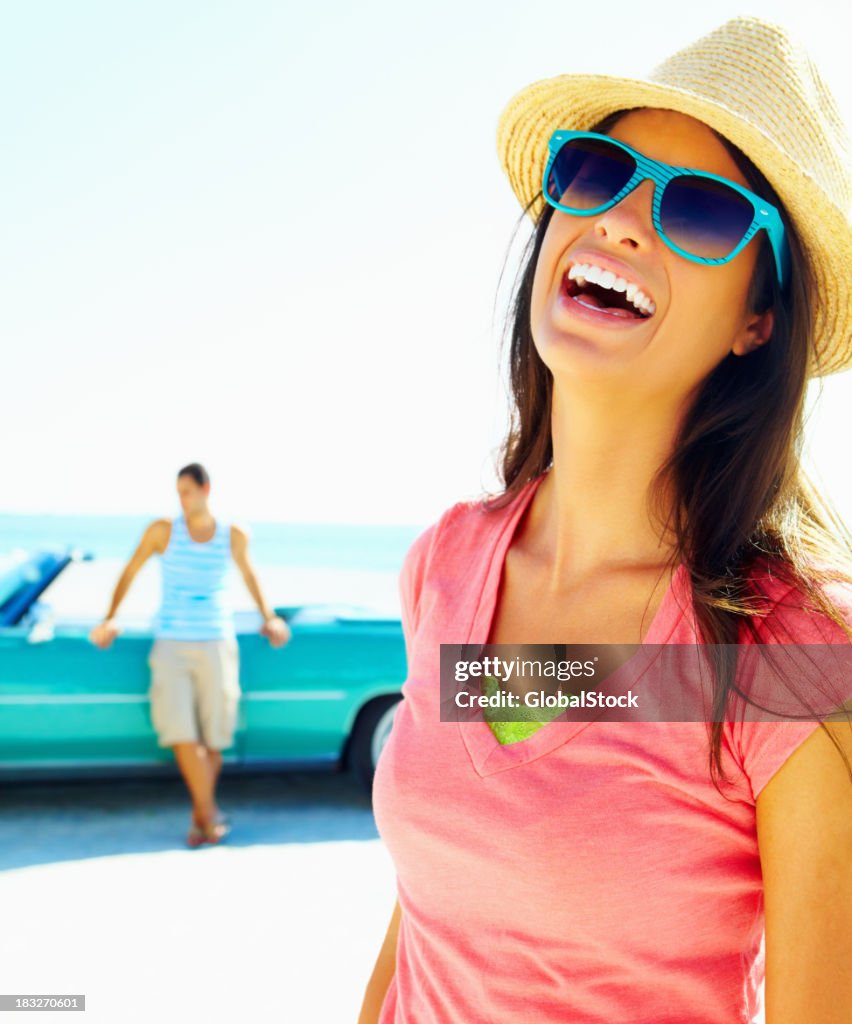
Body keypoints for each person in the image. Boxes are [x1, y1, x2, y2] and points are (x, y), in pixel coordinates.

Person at [360, 16, 852, 1024]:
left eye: (706, 212)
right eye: (597, 171)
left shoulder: (788, 657)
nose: (623, 222)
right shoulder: (447, 568)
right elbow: (429, 917)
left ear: (761, 317)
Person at [89, 462, 291, 847]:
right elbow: (129, 572)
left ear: (205, 490)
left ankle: (201, 819)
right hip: (172, 644)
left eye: (187, 491)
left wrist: (270, 617)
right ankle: (208, 814)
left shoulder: (233, 534)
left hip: (217, 642)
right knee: (181, 733)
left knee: (213, 740)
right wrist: (110, 617)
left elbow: (250, 577)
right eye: (178, 492)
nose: (182, 499)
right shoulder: (162, 530)